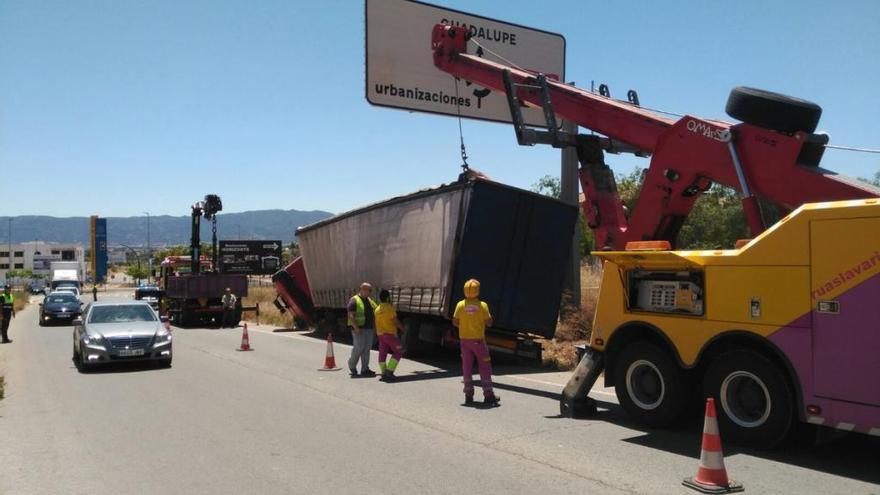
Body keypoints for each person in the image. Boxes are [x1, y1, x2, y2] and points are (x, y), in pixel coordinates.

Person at [453, 279, 499, 406]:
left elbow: (455, 322)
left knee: (467, 367)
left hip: (464, 342)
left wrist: (465, 325)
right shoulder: (482, 305)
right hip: (478, 342)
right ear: (477, 290)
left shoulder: (460, 305)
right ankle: (488, 394)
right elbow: (489, 322)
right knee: (484, 367)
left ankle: (468, 395)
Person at [347, 282, 377, 377]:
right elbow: (351, 315)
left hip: (369, 329)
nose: (367, 291)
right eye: (364, 289)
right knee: (359, 348)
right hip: (359, 329)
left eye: (368, 290)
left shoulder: (370, 301)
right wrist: (356, 328)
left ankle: (365, 369)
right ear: (360, 289)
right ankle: (352, 365)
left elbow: (377, 311)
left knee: (367, 349)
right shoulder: (354, 300)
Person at [374, 289, 405, 381]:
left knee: (382, 354)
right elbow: (395, 321)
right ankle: (389, 371)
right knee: (399, 351)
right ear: (388, 298)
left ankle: (384, 373)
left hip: (380, 335)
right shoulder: (389, 308)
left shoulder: (377, 309)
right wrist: (402, 328)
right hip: (390, 334)